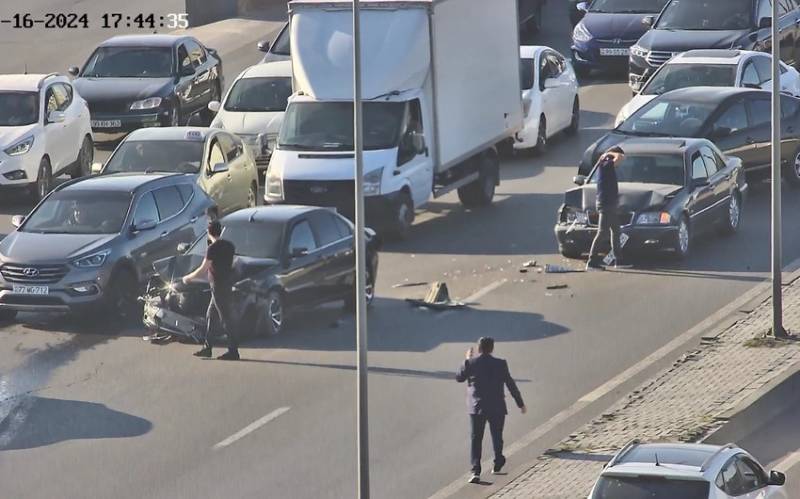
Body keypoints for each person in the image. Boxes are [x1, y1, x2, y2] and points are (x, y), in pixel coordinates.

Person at [456, 337, 526, 484]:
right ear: (492, 349)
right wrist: (520, 403)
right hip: (497, 406)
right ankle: (498, 461)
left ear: (479, 348)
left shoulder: (471, 363)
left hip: (477, 407)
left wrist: (467, 359)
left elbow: (459, 378)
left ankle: (476, 470)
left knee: (476, 438)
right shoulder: (501, 364)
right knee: (497, 435)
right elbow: (510, 383)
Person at [182, 220, 239, 360]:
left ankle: (233, 351)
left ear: (209, 233)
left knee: (225, 318)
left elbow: (203, 269)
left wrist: (187, 278)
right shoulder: (229, 246)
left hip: (218, 286)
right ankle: (207, 348)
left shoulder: (212, 249)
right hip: (225, 284)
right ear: (220, 231)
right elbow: (233, 263)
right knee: (211, 316)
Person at [587, 146, 625, 271]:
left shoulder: (605, 164)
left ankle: (618, 260)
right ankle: (592, 262)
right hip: (606, 203)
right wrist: (610, 153)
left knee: (616, 230)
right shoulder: (606, 163)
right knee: (602, 232)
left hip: (610, 203)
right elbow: (620, 157)